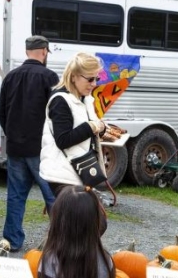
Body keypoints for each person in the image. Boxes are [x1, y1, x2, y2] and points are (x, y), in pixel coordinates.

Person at [0, 35, 58, 252]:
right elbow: (55, 114)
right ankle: (60, 241)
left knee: (15, 196)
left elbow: (2, 112)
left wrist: (11, 134)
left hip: (15, 147)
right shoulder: (50, 77)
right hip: (40, 149)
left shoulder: (10, 77)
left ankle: (12, 241)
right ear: (44, 52)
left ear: (26, 52)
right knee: (52, 196)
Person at [39, 52, 120, 197]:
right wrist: (92, 127)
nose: (94, 84)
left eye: (97, 78)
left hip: (77, 171)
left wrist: (101, 129)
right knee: (71, 219)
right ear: (74, 76)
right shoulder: (60, 100)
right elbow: (63, 140)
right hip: (62, 174)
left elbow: (90, 126)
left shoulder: (85, 98)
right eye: (90, 79)